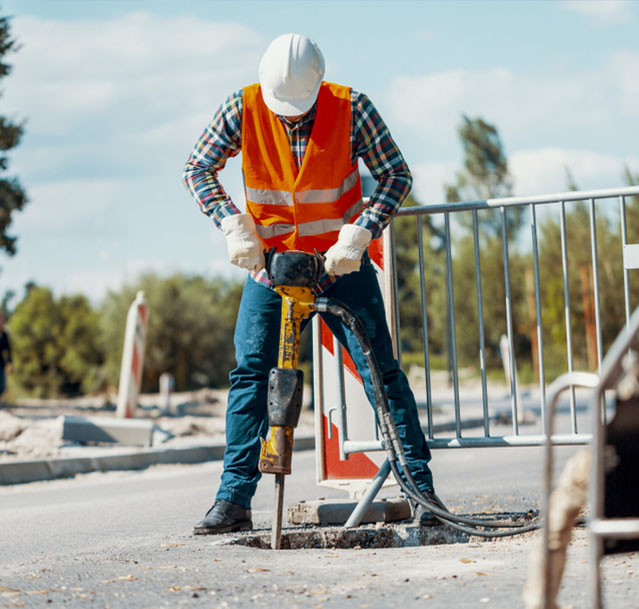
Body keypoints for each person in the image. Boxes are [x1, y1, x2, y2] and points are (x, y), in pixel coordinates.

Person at [182, 33, 445, 534]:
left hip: (339, 265)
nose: (288, 116)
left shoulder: (352, 107)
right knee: (252, 376)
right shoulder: (244, 106)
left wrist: (362, 232)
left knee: (381, 374)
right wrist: (231, 222)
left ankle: (420, 491)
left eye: (297, 108)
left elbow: (396, 175)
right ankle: (234, 499)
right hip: (272, 268)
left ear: (318, 86)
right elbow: (198, 168)